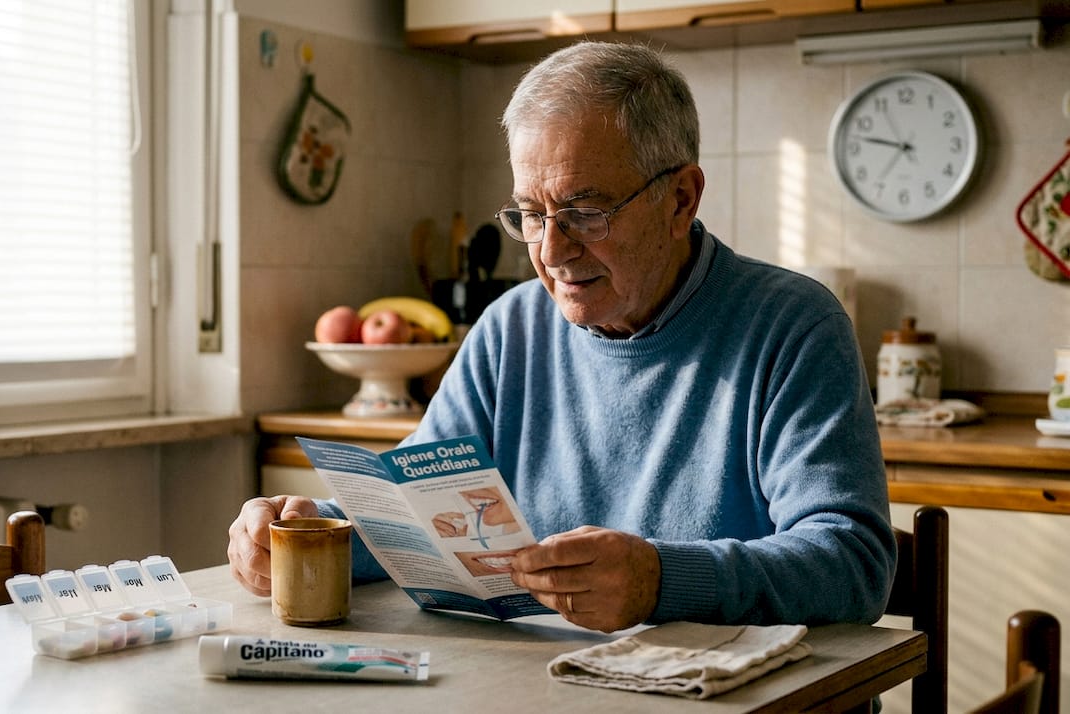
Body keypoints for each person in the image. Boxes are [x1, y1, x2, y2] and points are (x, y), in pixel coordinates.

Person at [228, 41, 895, 634]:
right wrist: (305, 528)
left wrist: (658, 580)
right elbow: (420, 518)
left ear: (681, 200)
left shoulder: (794, 326)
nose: (551, 250)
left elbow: (852, 564)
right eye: (530, 214)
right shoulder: (510, 329)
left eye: (586, 211)